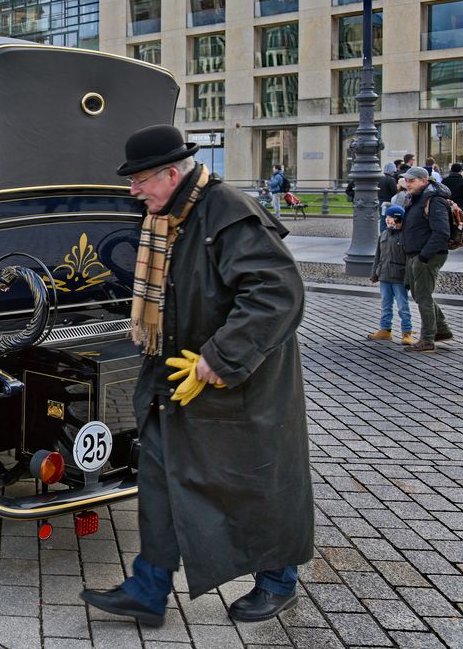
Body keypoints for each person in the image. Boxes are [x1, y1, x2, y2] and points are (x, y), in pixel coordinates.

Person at [80, 125, 313, 627]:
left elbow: (278, 295)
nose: (133, 190)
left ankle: (278, 582)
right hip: (176, 381)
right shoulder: (172, 215)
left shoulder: (229, 212)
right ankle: (148, 587)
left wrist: (219, 358)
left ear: (171, 173)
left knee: (254, 483)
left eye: (140, 180)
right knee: (160, 479)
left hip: (238, 387)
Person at [401, 166, 454, 353]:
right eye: (406, 180)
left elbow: (442, 232)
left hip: (428, 255)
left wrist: (424, 256)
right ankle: (441, 329)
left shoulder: (434, 200)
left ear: (423, 181)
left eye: (411, 181)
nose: (407, 184)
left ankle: (427, 340)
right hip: (417, 253)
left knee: (423, 296)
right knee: (420, 294)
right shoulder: (418, 198)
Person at [368, 205, 413, 345]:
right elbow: (378, 256)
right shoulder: (384, 234)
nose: (388, 220)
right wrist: (374, 275)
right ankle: (385, 330)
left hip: (399, 277)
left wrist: (408, 279)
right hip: (384, 276)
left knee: (402, 306)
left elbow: (409, 259)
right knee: (385, 304)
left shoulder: (406, 236)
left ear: (399, 219)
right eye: (387, 217)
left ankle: (407, 332)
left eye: (392, 218)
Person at [378, 164, 399, 231]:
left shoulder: (380, 179)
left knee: (383, 220)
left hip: (380, 202)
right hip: (389, 203)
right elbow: (395, 192)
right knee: (390, 221)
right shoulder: (391, 180)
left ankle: (382, 235)